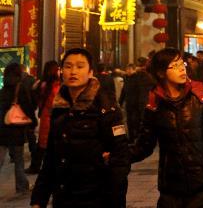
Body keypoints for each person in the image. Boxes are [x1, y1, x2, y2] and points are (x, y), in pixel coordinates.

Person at [30, 48, 130, 208]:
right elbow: (51, 158)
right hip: (64, 197)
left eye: (80, 66)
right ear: (61, 72)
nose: (73, 71)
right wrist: (38, 199)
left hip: (96, 197)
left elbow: (120, 157)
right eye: (68, 66)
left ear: (91, 72)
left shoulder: (105, 106)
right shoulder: (59, 107)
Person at [131, 47, 203, 207]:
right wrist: (118, 156)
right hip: (170, 186)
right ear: (161, 73)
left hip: (201, 186)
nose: (182, 68)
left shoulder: (200, 95)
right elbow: (144, 145)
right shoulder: (154, 103)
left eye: (181, 63)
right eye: (174, 66)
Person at [0, 62, 37, 197]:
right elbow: (27, 106)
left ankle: (22, 186)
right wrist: (33, 121)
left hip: (2, 128)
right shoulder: (19, 88)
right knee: (18, 160)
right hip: (16, 129)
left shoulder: (3, 89)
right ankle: (22, 187)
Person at [26, 60, 61, 174]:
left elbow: (35, 97)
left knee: (43, 143)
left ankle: (36, 166)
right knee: (46, 143)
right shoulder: (55, 85)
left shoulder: (43, 83)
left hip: (46, 116)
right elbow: (53, 103)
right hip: (51, 117)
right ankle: (42, 167)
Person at [119, 57, 154, 142]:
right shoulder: (126, 78)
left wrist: (140, 103)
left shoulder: (138, 78)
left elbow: (141, 91)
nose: (128, 71)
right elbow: (124, 90)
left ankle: (137, 137)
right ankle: (131, 138)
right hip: (129, 103)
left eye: (130, 69)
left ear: (134, 70)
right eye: (127, 69)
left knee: (136, 121)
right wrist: (120, 101)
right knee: (129, 121)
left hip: (136, 104)